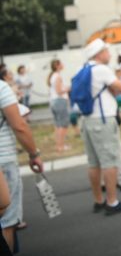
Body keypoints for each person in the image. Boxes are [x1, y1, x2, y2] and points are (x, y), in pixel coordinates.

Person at [77, 39, 121, 215]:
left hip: (87, 121)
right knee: (110, 160)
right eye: (106, 51)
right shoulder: (101, 69)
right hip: (102, 121)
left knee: (93, 163)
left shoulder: (85, 68)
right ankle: (112, 202)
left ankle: (99, 200)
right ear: (99, 53)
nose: (109, 54)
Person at [0, 71, 43, 252]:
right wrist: (34, 154)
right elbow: (19, 125)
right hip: (4, 159)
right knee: (7, 221)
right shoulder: (1, 88)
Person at [48, 60, 71, 152]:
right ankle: (61, 146)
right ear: (57, 65)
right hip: (60, 101)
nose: (63, 64)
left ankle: (58, 145)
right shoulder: (57, 76)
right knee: (63, 124)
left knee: (58, 125)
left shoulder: (53, 76)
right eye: (61, 63)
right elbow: (59, 91)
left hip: (54, 101)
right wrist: (68, 89)